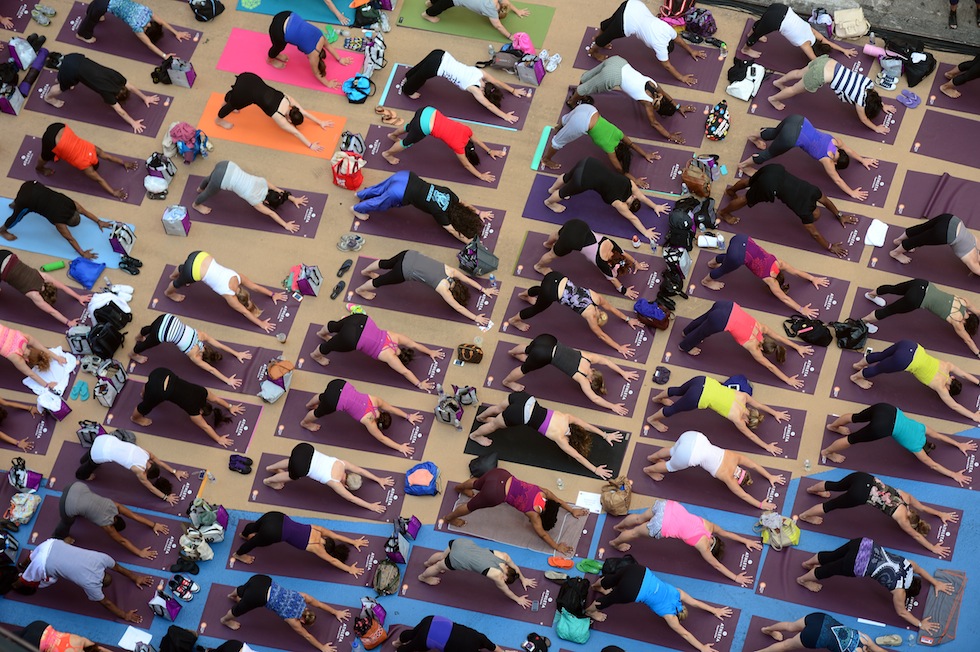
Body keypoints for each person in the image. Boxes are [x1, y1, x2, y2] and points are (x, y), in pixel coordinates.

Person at [796, 537, 953, 633]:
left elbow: (922, 571)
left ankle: (807, 563)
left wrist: (936, 582)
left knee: (832, 555)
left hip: (863, 544)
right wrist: (920, 624)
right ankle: (802, 580)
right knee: (828, 570)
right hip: (857, 563)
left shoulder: (910, 565)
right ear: (907, 591)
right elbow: (902, 613)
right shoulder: (899, 591)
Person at [798, 471, 958, 558]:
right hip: (859, 494)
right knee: (831, 506)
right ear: (912, 524)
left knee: (836, 485)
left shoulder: (907, 498)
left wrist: (941, 514)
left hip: (864, 478)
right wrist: (933, 548)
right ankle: (805, 516)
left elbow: (922, 507)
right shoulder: (903, 520)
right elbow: (916, 536)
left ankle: (812, 489)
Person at [607, 498, 761, 586]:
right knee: (634, 533)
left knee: (639, 518)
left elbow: (726, 533)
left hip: (670, 507)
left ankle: (618, 526)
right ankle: (615, 543)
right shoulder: (703, 547)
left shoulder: (709, 526)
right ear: (711, 548)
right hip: (663, 525)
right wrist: (735, 577)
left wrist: (746, 540)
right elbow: (716, 565)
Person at [469, 391, 624, 478]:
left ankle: (480, 417)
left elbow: (587, 425)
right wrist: (595, 470)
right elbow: (577, 456)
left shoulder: (567, 418)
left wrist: (605, 435)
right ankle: (475, 436)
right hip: (520, 414)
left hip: (526, 399)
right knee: (494, 425)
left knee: (498, 409)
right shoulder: (561, 438)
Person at [584, 564, 733, 652]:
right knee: (609, 600)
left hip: (639, 571)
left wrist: (715, 610)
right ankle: (590, 611)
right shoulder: (670, 617)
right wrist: (702, 648)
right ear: (678, 617)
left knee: (613, 579)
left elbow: (694, 602)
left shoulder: (678, 593)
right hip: (632, 590)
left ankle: (597, 585)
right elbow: (685, 634)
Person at [719, 164, 857, 258]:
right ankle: (723, 212)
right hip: (769, 185)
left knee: (750, 181)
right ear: (811, 214)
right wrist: (829, 246)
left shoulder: (813, 192)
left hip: (775, 170)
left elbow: (826, 201)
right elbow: (814, 234)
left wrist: (840, 215)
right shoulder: (804, 212)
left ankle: (731, 190)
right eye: (814, 218)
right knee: (746, 199)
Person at [441, 467, 588, 555]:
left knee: (477, 483)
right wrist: (557, 546)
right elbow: (543, 534)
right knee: (471, 506)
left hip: (501, 474)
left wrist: (572, 510)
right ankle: (449, 518)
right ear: (542, 516)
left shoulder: (544, 492)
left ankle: (460, 487)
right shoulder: (534, 515)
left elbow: (558, 501)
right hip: (495, 493)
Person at [824, 403, 974, 485]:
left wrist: (959, 444)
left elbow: (939, 436)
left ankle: (833, 426)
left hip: (888, 409)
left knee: (856, 417)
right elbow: (933, 465)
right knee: (852, 439)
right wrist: (953, 474)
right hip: (883, 426)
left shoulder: (922, 429)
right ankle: (827, 452)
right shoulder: (916, 448)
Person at [738, 115, 879, 201]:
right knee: (769, 153)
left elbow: (849, 150)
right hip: (791, 137)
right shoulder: (828, 161)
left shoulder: (836, 142)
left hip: (798, 119)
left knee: (775, 132)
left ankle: (753, 136)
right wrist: (852, 192)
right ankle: (743, 165)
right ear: (836, 163)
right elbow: (838, 180)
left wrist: (862, 159)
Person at [506, 271, 643, 358]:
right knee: (537, 308)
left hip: (556, 277)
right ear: (597, 321)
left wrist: (628, 319)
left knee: (543, 289)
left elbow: (611, 308)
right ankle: (514, 320)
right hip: (551, 292)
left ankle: (524, 294)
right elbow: (602, 335)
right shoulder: (590, 317)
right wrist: (619, 348)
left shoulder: (596, 298)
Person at [679, 300, 813, 388]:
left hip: (727, 305)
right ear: (762, 349)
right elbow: (770, 366)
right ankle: (684, 346)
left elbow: (778, 337)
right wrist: (788, 380)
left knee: (704, 319)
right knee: (702, 333)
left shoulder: (761, 328)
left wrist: (797, 347)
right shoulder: (754, 347)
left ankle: (686, 332)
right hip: (720, 319)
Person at [14, 539, 152, 623]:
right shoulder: (91, 585)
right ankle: (13, 584)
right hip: (45, 563)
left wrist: (136, 577)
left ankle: (23, 564)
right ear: (101, 585)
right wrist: (125, 615)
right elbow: (107, 603)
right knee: (27, 580)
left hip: (51, 544)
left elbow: (118, 568)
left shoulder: (102, 559)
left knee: (33, 555)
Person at [643, 431, 787, 510]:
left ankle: (651, 457)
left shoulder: (735, 458)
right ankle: (648, 470)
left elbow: (754, 465)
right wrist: (761, 505)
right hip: (689, 455)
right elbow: (744, 496)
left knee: (673, 450)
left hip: (694, 437)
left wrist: (770, 476)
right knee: (670, 466)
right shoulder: (729, 479)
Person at [501, 333, 640, 415]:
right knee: (524, 369)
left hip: (548, 339)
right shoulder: (582, 378)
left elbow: (607, 361)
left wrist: (623, 372)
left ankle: (512, 352)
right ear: (591, 381)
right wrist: (612, 406)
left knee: (528, 349)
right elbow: (595, 399)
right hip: (543, 354)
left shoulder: (588, 358)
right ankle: (507, 382)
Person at [353, 249, 498, 326]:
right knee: (381, 281)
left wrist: (483, 289)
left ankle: (365, 271)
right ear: (453, 294)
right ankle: (360, 290)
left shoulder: (451, 272)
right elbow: (458, 308)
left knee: (386, 263)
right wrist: (475, 317)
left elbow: (467, 279)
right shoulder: (444, 289)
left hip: (409, 254)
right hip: (404, 270)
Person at [647, 375, 790, 453]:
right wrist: (766, 446)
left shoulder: (743, 396)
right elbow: (751, 435)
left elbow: (759, 405)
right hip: (697, 397)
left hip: (703, 381)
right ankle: (652, 419)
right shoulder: (738, 419)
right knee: (674, 409)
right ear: (747, 421)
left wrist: (775, 413)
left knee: (679, 390)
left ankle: (657, 398)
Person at [567, 57, 697, 144]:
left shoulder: (654, 86)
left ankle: (583, 84)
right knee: (584, 89)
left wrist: (678, 106)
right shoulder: (647, 103)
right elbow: (654, 123)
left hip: (618, 61)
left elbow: (667, 95)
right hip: (612, 75)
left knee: (588, 77)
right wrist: (670, 135)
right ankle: (572, 102)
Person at [700, 234, 830, 317]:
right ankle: (706, 281)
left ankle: (712, 262)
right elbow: (784, 298)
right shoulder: (771, 281)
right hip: (738, 255)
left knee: (730, 257)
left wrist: (813, 278)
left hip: (742, 239)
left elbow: (796, 271)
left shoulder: (779, 263)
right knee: (725, 268)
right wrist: (801, 309)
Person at [850, 340, 980, 423]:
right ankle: (855, 377)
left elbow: (964, 374)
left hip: (911, 345)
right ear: (949, 389)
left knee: (882, 355)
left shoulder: (948, 366)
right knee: (878, 369)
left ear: (953, 378)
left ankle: (858, 364)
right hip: (904, 360)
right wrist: (973, 416)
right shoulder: (941, 387)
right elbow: (954, 405)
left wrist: (978, 382)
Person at [309, 313, 444, 390]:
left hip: (361, 320)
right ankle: (315, 355)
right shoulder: (390, 357)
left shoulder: (395, 338)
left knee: (336, 325)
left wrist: (430, 352)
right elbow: (405, 371)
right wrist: (419, 384)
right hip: (353, 338)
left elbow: (414, 344)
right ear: (399, 359)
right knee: (330, 345)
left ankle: (322, 332)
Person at [351, 171, 492, 244]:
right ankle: (356, 209)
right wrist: (467, 240)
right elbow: (452, 231)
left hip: (406, 176)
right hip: (400, 192)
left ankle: (360, 194)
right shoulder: (441, 214)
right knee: (379, 203)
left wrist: (478, 212)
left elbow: (463, 202)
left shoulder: (449, 194)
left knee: (380, 188)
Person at [587, 0, 707, 86]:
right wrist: (682, 77)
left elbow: (679, 40)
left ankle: (599, 33)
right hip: (626, 22)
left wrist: (692, 51)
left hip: (632, 4)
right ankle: (593, 51)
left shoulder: (667, 29)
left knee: (609, 22)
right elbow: (667, 65)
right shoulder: (659, 45)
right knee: (605, 39)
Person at [767, 55, 897, 134]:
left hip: (827, 62)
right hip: (820, 74)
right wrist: (876, 128)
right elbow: (864, 119)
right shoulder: (860, 101)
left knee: (798, 73)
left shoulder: (869, 84)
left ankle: (778, 82)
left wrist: (882, 105)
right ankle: (773, 99)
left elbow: (874, 95)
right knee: (794, 90)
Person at [541, 103, 660, 188]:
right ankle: (546, 159)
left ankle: (558, 127)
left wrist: (645, 154)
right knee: (557, 142)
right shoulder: (609, 148)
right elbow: (619, 169)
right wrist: (635, 180)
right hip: (581, 123)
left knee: (568, 119)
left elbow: (631, 144)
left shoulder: (618, 134)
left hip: (589, 109)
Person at [165, 251, 288, 333]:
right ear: (238, 300)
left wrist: (273, 294)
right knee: (177, 283)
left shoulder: (238, 278)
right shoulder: (230, 297)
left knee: (184, 269)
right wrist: (261, 324)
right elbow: (245, 312)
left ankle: (174, 274)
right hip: (194, 270)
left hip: (201, 255)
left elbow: (255, 287)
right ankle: (168, 293)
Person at [220, 574, 350, 652]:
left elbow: (319, 604)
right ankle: (225, 620)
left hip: (263, 580)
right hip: (258, 596)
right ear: (302, 621)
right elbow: (307, 636)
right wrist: (322, 648)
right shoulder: (293, 620)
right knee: (239, 609)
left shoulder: (303, 597)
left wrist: (336, 612)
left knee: (245, 588)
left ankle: (232, 595)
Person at [544, 157, 667, 239]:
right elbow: (632, 218)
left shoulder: (630, 184)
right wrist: (645, 232)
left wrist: (655, 206)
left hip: (589, 162)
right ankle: (549, 202)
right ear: (627, 205)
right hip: (583, 179)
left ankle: (551, 189)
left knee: (567, 177)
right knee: (563, 193)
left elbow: (642, 197)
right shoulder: (620, 204)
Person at [381, 107, 507, 183]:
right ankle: (387, 154)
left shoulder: (466, 130)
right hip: (424, 125)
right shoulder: (458, 147)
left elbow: (477, 141)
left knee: (411, 126)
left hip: (428, 111)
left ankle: (392, 135)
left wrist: (490, 150)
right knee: (407, 142)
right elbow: (467, 164)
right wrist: (481, 176)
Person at [300, 378, 421, 457]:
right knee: (318, 412)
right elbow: (382, 438)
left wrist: (408, 416)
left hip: (339, 384)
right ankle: (305, 423)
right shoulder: (370, 422)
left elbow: (390, 408)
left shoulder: (376, 401)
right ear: (379, 425)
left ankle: (309, 404)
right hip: (335, 399)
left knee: (324, 396)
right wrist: (400, 447)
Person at [401, 49, 530, 123]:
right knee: (418, 80)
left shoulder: (481, 74)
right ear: (484, 94)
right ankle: (407, 90)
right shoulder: (475, 90)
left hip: (440, 54)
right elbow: (489, 105)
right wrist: (505, 116)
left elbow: (497, 82)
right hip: (436, 66)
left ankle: (408, 75)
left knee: (420, 67)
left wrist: (513, 90)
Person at [534, 219, 652, 298]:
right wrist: (624, 291)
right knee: (552, 254)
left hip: (578, 224)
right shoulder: (602, 263)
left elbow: (625, 254)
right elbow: (613, 280)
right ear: (610, 264)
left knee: (558, 234)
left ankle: (547, 243)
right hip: (571, 240)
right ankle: (539, 266)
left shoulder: (611, 244)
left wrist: (636, 263)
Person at [43, 53, 159, 134]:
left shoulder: (117, 77)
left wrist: (145, 97)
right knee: (62, 87)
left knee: (67, 74)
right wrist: (133, 123)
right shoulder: (107, 92)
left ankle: (62, 76)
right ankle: (49, 98)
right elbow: (120, 111)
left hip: (75, 57)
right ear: (116, 97)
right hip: (72, 70)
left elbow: (131, 87)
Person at [263, 443, 394, 514]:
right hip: (301, 466)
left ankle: (270, 467)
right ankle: (269, 481)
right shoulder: (335, 483)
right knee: (292, 475)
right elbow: (351, 498)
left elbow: (360, 470)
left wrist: (379, 479)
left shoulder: (342, 464)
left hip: (304, 449)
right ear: (346, 485)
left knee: (293, 460)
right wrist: (370, 506)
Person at [130, 367, 244, 448]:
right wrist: (218, 439)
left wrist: (230, 406)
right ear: (201, 411)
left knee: (150, 385)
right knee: (146, 406)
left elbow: (216, 399)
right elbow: (206, 427)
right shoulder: (194, 411)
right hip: (159, 390)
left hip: (162, 372)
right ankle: (135, 418)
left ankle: (144, 393)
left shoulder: (203, 392)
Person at [129, 313, 252, 388]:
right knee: (146, 345)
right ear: (205, 358)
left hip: (167, 318)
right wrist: (227, 380)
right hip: (161, 333)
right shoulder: (195, 356)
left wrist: (237, 353)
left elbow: (219, 345)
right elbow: (211, 369)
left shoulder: (201, 336)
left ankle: (140, 335)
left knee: (151, 327)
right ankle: (133, 354)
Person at [51, 482, 170, 559]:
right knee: (67, 521)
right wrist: (140, 552)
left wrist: (154, 524)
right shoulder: (107, 525)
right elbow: (122, 541)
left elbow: (134, 516)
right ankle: (59, 536)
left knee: (85, 505)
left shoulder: (115, 506)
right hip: (66, 503)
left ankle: (79, 510)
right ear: (113, 527)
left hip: (75, 486)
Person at [216, 73, 333, 151]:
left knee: (236, 97)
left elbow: (304, 112)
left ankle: (231, 97)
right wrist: (310, 145)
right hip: (247, 90)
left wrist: (321, 122)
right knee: (233, 104)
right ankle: (218, 120)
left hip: (251, 78)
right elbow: (296, 133)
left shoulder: (288, 100)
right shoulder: (279, 117)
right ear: (289, 120)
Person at [232, 511, 368, 577]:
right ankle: (238, 554)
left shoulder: (319, 530)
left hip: (276, 516)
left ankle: (244, 534)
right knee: (255, 542)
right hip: (274, 531)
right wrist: (349, 569)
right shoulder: (318, 548)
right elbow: (333, 560)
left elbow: (336, 536)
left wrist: (354, 541)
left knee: (255, 526)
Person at [861, 280, 979, 352]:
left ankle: (871, 295)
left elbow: (977, 311)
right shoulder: (957, 322)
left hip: (922, 284)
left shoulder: (964, 302)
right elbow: (968, 340)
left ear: (969, 314)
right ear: (965, 324)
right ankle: (863, 321)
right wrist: (978, 353)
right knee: (888, 310)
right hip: (916, 299)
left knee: (894, 288)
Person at [2, 182, 113, 258]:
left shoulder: (72, 204)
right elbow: (70, 239)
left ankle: (16, 203)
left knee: (33, 195)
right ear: (66, 223)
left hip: (31, 184)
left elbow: (85, 212)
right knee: (16, 218)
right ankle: (2, 230)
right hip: (27, 200)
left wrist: (99, 221)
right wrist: (83, 253)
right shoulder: (60, 222)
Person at [191, 161, 309, 232]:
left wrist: (294, 199)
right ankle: (196, 205)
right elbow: (271, 213)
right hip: (222, 178)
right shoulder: (256, 200)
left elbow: (278, 190)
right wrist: (285, 225)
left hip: (227, 164)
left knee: (211, 177)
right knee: (209, 192)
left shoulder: (263, 182)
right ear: (267, 203)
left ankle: (200, 188)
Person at [417, 538, 539, 607]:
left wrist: (523, 578)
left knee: (441, 556)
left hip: (462, 544)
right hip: (459, 558)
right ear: (505, 578)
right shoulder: (498, 576)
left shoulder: (504, 556)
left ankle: (427, 563)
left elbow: (515, 567)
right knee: (439, 566)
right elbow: (506, 590)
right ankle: (423, 577)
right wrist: (518, 599)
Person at [75, 433, 188, 505]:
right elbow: (151, 488)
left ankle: (85, 459)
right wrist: (166, 498)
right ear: (146, 473)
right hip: (100, 453)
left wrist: (174, 471)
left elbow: (160, 463)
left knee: (88, 459)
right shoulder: (140, 472)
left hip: (105, 438)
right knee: (88, 467)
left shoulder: (147, 454)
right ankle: (82, 474)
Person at [36, 124, 139, 200]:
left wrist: (123, 162)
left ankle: (56, 154)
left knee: (62, 150)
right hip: (52, 140)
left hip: (60, 127)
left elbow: (108, 157)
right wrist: (113, 192)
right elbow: (99, 179)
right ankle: (39, 168)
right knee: (45, 156)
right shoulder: (85, 166)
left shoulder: (93, 149)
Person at [0, 250, 91, 327]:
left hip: (8, 255)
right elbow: (52, 311)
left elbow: (63, 287)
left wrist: (79, 297)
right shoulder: (35, 295)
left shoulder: (44, 277)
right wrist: (68, 322)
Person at [75, 0, 191, 60]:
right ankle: (82, 34)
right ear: (146, 32)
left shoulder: (146, 11)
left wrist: (176, 32)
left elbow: (162, 22)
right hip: (104, 4)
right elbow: (149, 45)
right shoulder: (137, 27)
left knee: (95, 10)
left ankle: (92, 11)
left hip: (107, 2)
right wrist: (165, 56)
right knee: (91, 19)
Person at [740, 3, 858, 60]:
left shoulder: (813, 33)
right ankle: (745, 49)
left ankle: (753, 31)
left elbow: (828, 42)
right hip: (775, 20)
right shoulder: (805, 44)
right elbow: (815, 60)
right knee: (757, 34)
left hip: (780, 8)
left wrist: (844, 50)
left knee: (763, 23)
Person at [267, 12, 352, 89]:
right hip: (277, 30)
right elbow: (316, 73)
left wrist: (340, 59)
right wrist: (328, 83)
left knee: (286, 41)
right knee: (278, 47)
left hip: (286, 15)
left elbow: (328, 46)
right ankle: (270, 60)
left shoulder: (321, 38)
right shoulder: (313, 55)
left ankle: (276, 55)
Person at [889, 213, 980, 273]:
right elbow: (977, 271)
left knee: (921, 228)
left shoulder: (978, 243)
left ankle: (899, 240)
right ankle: (895, 253)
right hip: (944, 233)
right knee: (918, 241)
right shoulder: (973, 262)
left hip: (950, 219)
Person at [756, 612, 889, 652]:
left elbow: (879, 650)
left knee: (790, 626)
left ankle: (767, 629)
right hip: (816, 636)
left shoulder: (866, 639)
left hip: (821, 619)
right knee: (786, 645)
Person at [392, 615, 516, 652]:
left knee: (413, 632)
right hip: (428, 637)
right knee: (412, 647)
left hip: (434, 620)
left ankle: (397, 642)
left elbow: (492, 646)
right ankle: (399, 649)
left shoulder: (480, 638)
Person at [422, 0, 530, 41]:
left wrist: (517, 10)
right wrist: (510, 36)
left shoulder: (497, 1)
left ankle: (430, 2)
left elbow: (507, 2)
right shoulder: (492, 11)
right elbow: (498, 26)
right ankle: (427, 14)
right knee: (442, 5)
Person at [0, 324, 65, 389]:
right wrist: (47, 385)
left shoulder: (25, 337)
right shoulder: (17, 358)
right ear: (27, 360)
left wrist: (58, 358)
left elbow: (43, 349)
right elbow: (31, 374)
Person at [19, 621, 109, 652]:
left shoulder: (82, 641)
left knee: (16, 636)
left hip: (41, 626)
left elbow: (101, 649)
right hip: (36, 642)